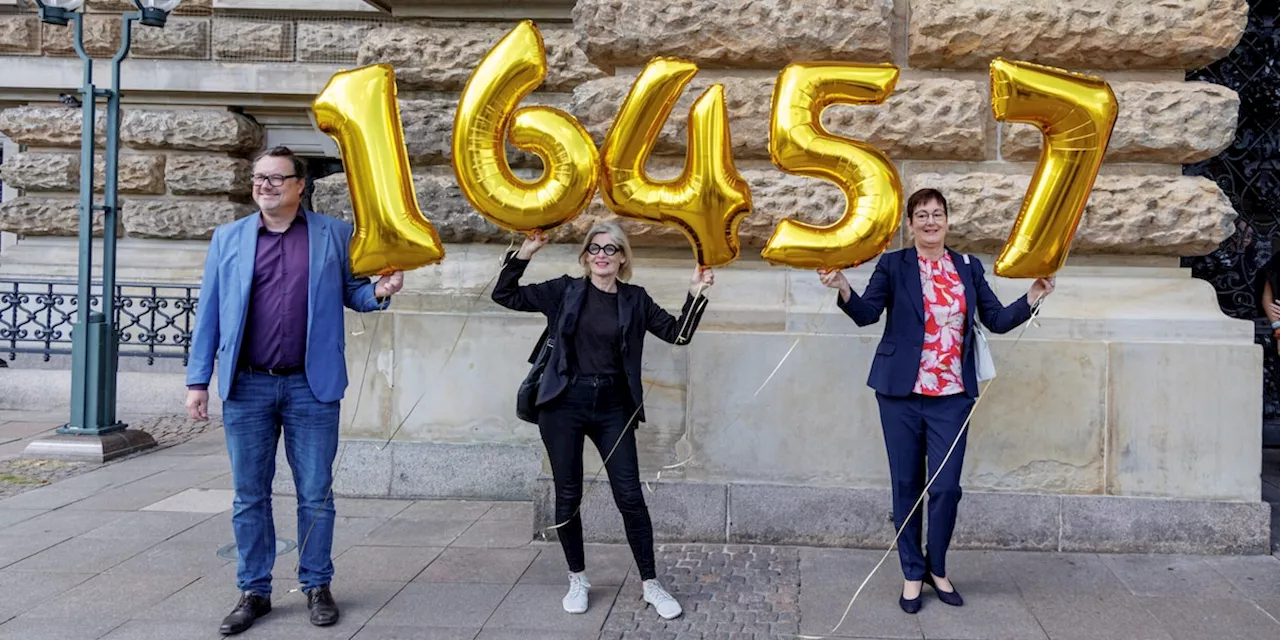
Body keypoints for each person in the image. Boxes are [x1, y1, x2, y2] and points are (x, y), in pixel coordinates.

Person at [184, 146, 404, 635]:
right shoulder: (229, 238)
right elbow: (211, 314)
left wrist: (380, 293)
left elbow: (355, 292)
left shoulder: (334, 234)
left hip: (311, 387)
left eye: (276, 178)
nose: (266, 186)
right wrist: (198, 381)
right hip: (247, 386)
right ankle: (254, 591)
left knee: (315, 495)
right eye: (259, 178)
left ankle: (317, 585)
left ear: (300, 185)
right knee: (248, 495)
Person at [818, 188, 1053, 613]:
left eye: (937, 214)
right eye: (921, 215)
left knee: (945, 488)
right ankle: (912, 572)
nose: (930, 221)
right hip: (900, 395)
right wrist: (842, 287)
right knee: (906, 486)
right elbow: (869, 313)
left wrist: (1033, 295)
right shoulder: (895, 264)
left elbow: (996, 320)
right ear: (910, 225)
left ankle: (937, 567)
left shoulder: (967, 267)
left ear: (947, 221)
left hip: (952, 397)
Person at [492, 221, 712, 620]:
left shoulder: (635, 300)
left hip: (614, 408)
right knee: (568, 495)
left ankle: (651, 583)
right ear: (585, 256)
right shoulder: (565, 291)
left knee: (629, 496)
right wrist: (526, 251)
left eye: (611, 249)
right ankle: (578, 577)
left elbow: (678, 335)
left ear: (623, 257)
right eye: (594, 248)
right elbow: (504, 294)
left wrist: (696, 294)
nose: (602, 255)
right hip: (563, 404)